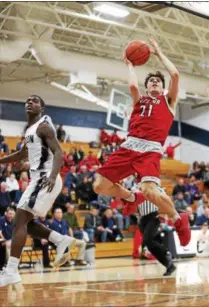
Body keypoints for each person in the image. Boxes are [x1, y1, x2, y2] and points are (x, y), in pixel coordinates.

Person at [93, 38, 190, 247]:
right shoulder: (140, 101)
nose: (154, 82)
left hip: (150, 150)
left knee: (150, 191)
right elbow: (131, 85)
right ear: (146, 87)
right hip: (129, 146)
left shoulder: (168, 101)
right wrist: (129, 65)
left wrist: (158, 52)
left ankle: (177, 218)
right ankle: (130, 197)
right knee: (99, 186)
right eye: (151, 81)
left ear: (163, 88)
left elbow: (175, 74)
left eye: (158, 81)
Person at [0, 95, 77, 287]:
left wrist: (52, 176)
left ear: (42, 107)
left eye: (34, 101)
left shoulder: (44, 126)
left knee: (20, 220)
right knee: (26, 222)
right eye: (27, 100)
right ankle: (60, 240)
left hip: (45, 178)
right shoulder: (30, 130)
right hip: (38, 179)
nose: (29, 102)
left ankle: (11, 271)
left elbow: (59, 152)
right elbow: (22, 154)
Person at [122, 192, 176, 276]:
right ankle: (169, 265)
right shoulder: (136, 189)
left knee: (148, 240)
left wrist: (164, 214)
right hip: (142, 219)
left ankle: (166, 253)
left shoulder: (154, 186)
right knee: (149, 244)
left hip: (153, 216)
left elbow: (166, 199)